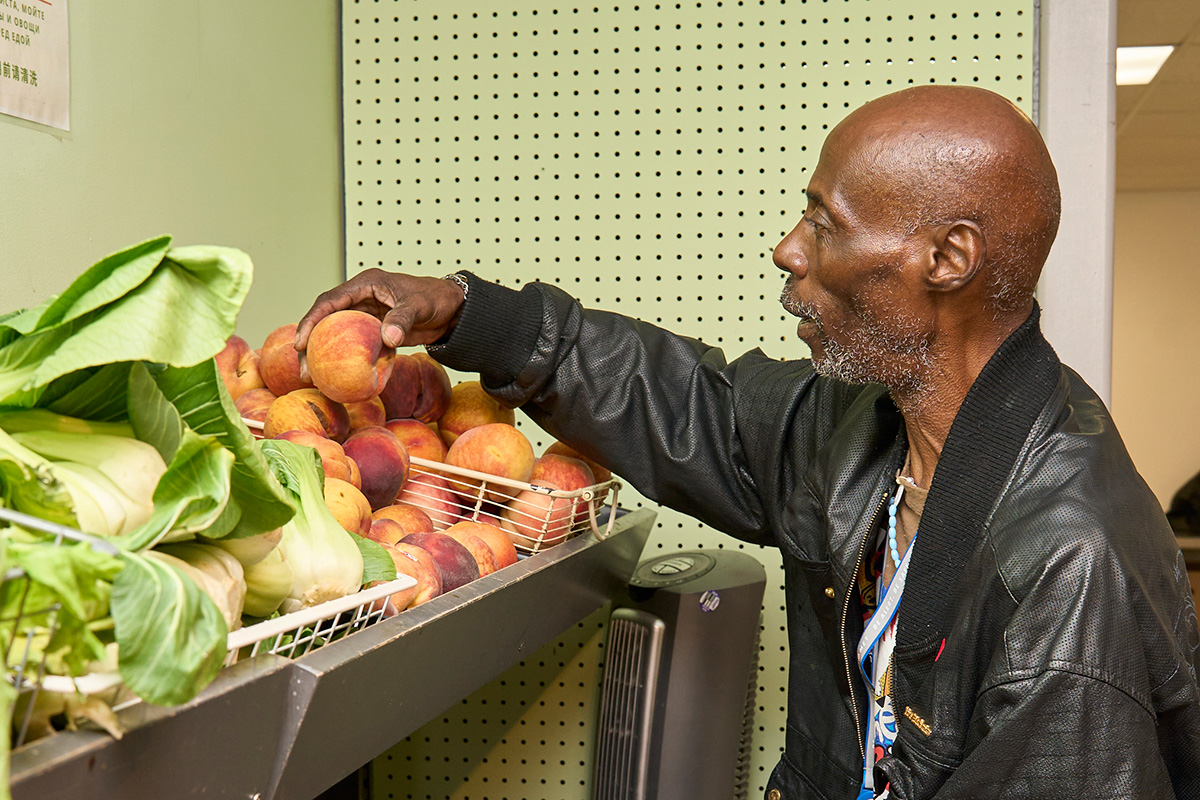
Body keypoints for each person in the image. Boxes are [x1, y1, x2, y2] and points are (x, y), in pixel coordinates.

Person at [295, 85, 1200, 798]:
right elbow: (698, 402)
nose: (786, 250)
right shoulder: (869, 426)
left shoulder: (1072, 570)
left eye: (825, 223)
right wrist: (471, 313)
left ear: (948, 259)